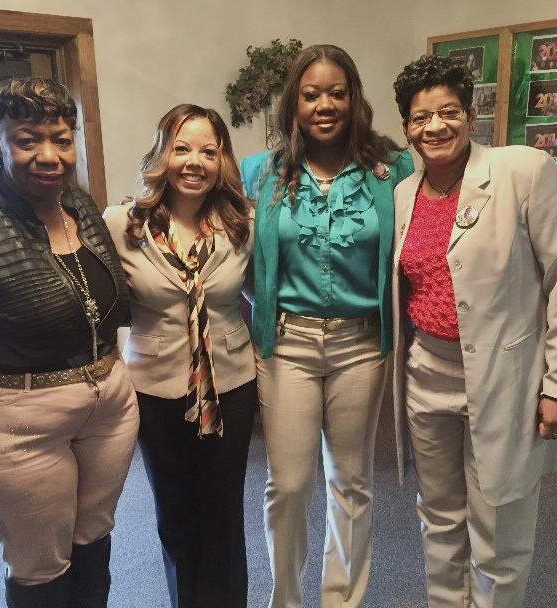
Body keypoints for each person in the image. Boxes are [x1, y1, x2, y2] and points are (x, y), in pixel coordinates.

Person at [0, 77, 139, 608]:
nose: (48, 156)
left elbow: (108, 302)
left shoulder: (78, 205)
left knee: (93, 542)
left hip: (107, 406)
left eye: (61, 138)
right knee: (41, 567)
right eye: (27, 139)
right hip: (16, 423)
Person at [390, 54, 557, 607]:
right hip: (426, 376)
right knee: (440, 518)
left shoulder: (522, 171)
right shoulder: (404, 193)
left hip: (507, 377)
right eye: (419, 117)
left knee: (499, 528)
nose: (435, 127)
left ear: (470, 114)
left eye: (448, 111)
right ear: (406, 126)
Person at [240, 44, 414, 608]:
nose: (324, 105)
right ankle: (285, 601)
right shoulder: (259, 173)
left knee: (352, 481)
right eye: (311, 94)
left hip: (361, 345)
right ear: (293, 102)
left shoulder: (393, 170)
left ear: (354, 99)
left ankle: (342, 600)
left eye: (337, 93)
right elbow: (236, 257)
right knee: (287, 486)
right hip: (287, 344)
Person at [104, 104, 256, 608]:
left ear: (222, 161)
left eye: (208, 151)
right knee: (176, 517)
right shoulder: (121, 223)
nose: (195, 161)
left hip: (230, 387)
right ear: (161, 155)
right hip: (155, 391)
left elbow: (262, 292)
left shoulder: (242, 222)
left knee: (224, 516)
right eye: (181, 148)